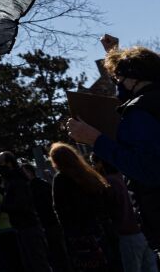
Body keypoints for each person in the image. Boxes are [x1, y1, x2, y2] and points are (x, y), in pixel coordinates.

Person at [68, 45, 160, 255]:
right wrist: (113, 51)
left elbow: (148, 169)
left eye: (118, 78)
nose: (117, 84)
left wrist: (96, 139)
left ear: (133, 78)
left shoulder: (139, 112)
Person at [49, 143, 116, 271]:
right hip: (98, 230)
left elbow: (59, 208)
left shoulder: (61, 179)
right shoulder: (88, 174)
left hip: (78, 234)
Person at [94, 156, 158, 272]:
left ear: (100, 164)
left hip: (127, 234)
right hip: (142, 230)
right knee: (151, 267)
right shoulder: (123, 177)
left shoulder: (107, 183)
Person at [0, 151, 53, 272]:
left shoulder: (17, 181)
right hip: (22, 227)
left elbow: (22, 205)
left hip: (28, 227)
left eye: (0, 162)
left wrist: (3, 207)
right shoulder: (12, 180)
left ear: (9, 163)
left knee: (37, 263)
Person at [23, 162, 71, 272]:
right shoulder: (44, 184)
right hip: (53, 221)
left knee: (53, 253)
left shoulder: (30, 188)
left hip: (45, 223)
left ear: (29, 173)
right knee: (61, 252)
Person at [0, 170, 23, 272]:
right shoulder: (4, 193)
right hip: (12, 227)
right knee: (17, 257)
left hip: (1, 230)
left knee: (8, 259)